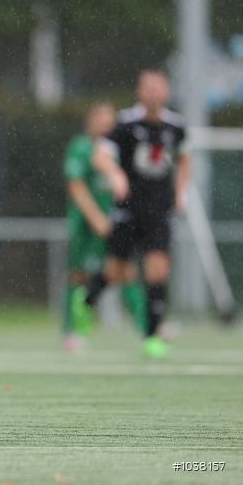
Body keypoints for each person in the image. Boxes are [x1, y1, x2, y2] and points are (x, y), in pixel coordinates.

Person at [83, 70, 191, 358]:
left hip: (159, 211)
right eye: (149, 87)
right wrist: (116, 173)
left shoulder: (176, 126)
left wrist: (180, 193)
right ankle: (89, 296)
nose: (154, 92)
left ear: (166, 92)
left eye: (159, 87)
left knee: (157, 270)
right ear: (139, 91)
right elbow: (99, 157)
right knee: (117, 272)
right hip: (128, 210)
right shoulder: (124, 123)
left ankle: (152, 336)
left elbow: (184, 161)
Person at [63, 103, 145, 349]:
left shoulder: (118, 149)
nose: (106, 123)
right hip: (86, 225)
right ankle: (73, 332)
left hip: (117, 221)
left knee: (127, 271)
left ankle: (148, 327)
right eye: (100, 118)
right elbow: (76, 186)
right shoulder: (81, 147)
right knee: (79, 276)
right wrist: (96, 218)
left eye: (110, 119)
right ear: (90, 120)